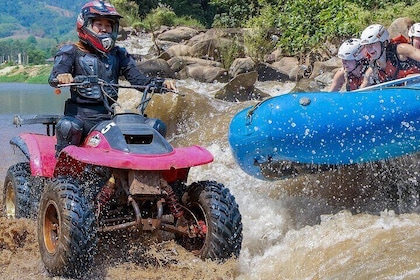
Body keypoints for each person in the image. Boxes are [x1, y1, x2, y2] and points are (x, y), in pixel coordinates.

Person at [48, 0, 176, 155]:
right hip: (82, 117)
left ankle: (154, 170)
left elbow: (138, 80)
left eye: (108, 25)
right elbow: (55, 76)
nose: (104, 29)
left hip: (110, 116)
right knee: (68, 126)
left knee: (155, 126)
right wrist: (63, 76)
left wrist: (161, 84)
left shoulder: (119, 53)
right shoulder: (71, 51)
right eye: (99, 25)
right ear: (86, 25)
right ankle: (62, 173)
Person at [359, 24, 420, 88]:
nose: (369, 48)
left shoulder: (400, 49)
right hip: (401, 94)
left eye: (373, 44)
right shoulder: (373, 67)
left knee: (410, 79)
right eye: (367, 45)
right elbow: (362, 88)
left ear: (385, 43)